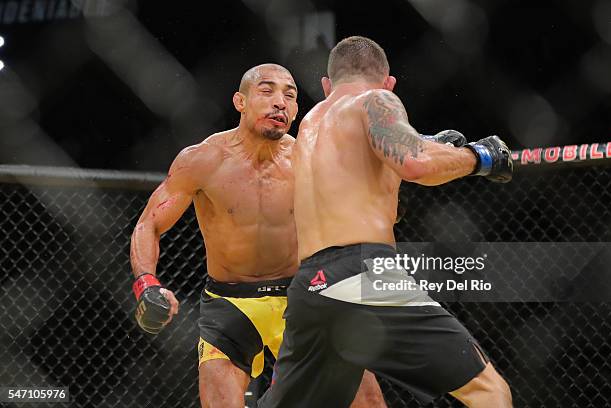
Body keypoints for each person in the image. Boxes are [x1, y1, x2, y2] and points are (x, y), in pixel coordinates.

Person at [258, 37, 514, 408]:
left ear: (327, 85)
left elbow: (377, 173)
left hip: (311, 286)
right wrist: (479, 156)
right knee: (489, 392)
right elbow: (415, 163)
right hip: (364, 275)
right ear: (389, 82)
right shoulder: (376, 100)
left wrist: (433, 144)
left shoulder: (311, 124)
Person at [129, 63, 386, 408]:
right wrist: (147, 283)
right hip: (229, 304)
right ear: (240, 101)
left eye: (290, 95)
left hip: (300, 299)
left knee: (367, 400)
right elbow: (150, 224)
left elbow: (375, 173)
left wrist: (424, 144)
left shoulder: (310, 159)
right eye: (267, 91)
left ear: (296, 110)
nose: (280, 102)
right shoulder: (203, 160)